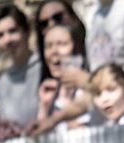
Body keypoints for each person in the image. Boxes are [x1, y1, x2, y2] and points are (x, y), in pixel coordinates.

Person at [29, 0, 93, 134]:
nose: (54, 52)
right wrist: (44, 107)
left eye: (61, 44)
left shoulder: (90, 82)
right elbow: (40, 135)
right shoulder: (50, 93)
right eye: (49, 46)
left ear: (77, 48)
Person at [0, 2, 42, 137]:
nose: (7, 40)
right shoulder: (2, 81)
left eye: (12, 31)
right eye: (0, 35)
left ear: (26, 31)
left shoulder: (45, 68)